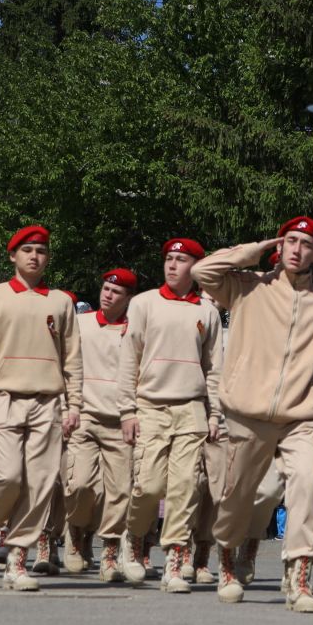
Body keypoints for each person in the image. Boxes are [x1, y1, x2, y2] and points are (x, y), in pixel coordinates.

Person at [193, 217, 313, 611]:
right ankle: (227, 558)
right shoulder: (247, 287)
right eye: (291, 241)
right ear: (280, 246)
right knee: (238, 494)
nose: (297, 249)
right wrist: (254, 249)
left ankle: (299, 577)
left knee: (307, 482)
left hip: (303, 416)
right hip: (247, 413)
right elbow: (201, 271)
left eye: (306, 243)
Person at [0, 226, 84, 592]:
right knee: (7, 475)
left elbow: (72, 358)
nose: (34, 256)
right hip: (4, 398)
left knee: (40, 483)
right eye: (27, 250)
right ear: (13, 256)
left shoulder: (60, 301)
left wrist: (74, 404)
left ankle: (17, 559)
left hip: (49, 401)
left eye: (41, 251)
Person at [121, 237, 222, 591]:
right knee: (148, 486)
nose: (173, 265)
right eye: (169, 258)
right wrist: (127, 411)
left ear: (195, 267)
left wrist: (214, 414)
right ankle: (133, 540)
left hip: (192, 409)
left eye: (181, 259)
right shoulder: (144, 303)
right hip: (150, 406)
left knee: (185, 488)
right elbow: (128, 359)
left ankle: (174, 564)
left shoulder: (207, 312)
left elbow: (213, 368)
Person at [58, 266, 138, 583]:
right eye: (105, 288)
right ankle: (77, 532)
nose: (108, 294)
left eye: (116, 291)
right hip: (84, 415)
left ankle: (109, 551)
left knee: (118, 491)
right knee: (78, 484)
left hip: (121, 420)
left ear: (128, 298)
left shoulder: (135, 331)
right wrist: (67, 407)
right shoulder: (80, 324)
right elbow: (64, 366)